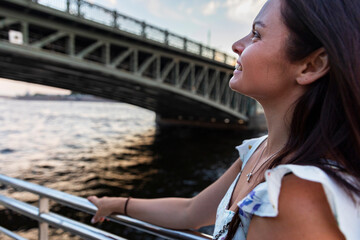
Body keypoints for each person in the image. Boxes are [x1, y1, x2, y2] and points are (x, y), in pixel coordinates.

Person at [88, 0, 360, 239]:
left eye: (256, 34)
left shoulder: (296, 198)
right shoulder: (259, 151)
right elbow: (190, 212)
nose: (236, 45)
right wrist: (118, 204)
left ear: (311, 65)